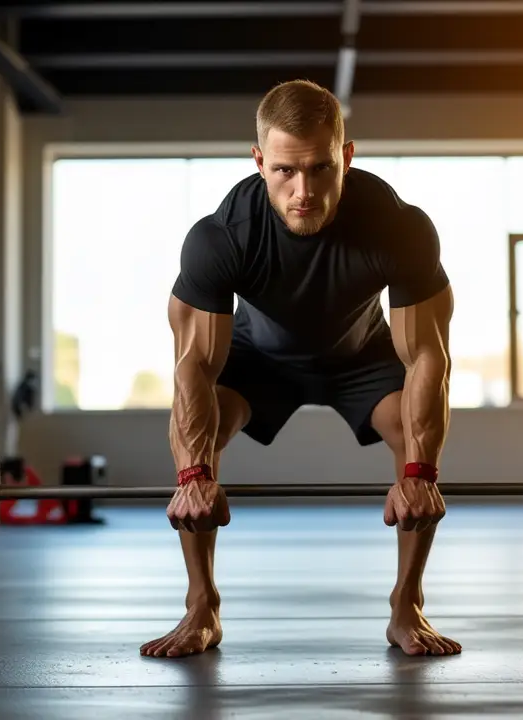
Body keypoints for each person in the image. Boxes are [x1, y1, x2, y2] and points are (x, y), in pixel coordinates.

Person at [141, 79, 458, 659]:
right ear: (259, 161)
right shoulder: (222, 239)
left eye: (319, 168)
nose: (303, 190)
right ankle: (201, 605)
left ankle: (406, 604)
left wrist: (419, 472)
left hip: (360, 357)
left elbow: (427, 358)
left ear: (347, 155)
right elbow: (194, 367)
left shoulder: (398, 227)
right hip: (258, 360)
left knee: (411, 440)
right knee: (199, 435)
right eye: (285, 171)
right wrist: (193, 479)